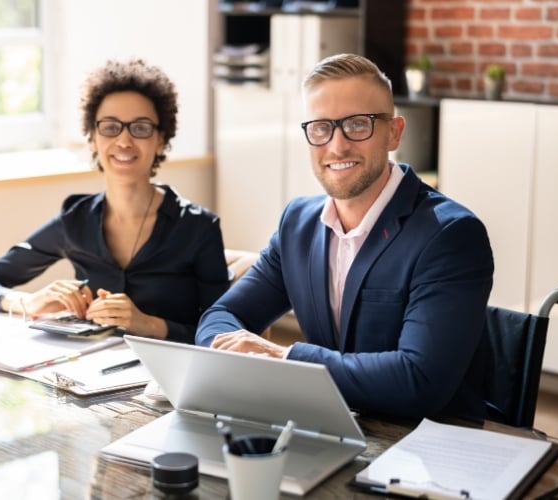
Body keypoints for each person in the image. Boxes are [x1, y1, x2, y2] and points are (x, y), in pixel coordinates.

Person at [196, 53, 495, 420]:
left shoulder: (450, 235)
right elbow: (223, 314)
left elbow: (419, 382)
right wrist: (234, 351)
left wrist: (284, 358)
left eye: (357, 124)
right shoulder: (297, 224)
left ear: (393, 132)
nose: (337, 146)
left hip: (428, 448)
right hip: (331, 426)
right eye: (321, 127)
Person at [0, 59, 230, 343]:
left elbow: (225, 334)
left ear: (161, 140)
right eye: (110, 127)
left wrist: (148, 325)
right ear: (92, 139)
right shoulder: (74, 220)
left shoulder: (199, 228)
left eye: (140, 128)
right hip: (87, 372)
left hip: (170, 380)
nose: (124, 141)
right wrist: (29, 303)